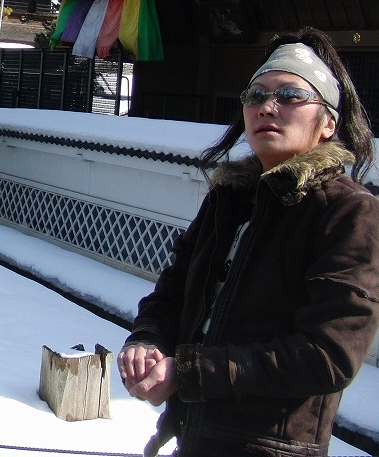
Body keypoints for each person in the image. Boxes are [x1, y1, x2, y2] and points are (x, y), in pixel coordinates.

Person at [118, 27, 379, 457]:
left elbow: (328, 354)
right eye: (254, 96)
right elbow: (175, 288)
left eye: (290, 95)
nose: (267, 107)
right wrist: (148, 339)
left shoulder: (349, 212)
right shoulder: (231, 197)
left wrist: (187, 374)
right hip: (195, 437)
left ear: (328, 122)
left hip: (270, 446)